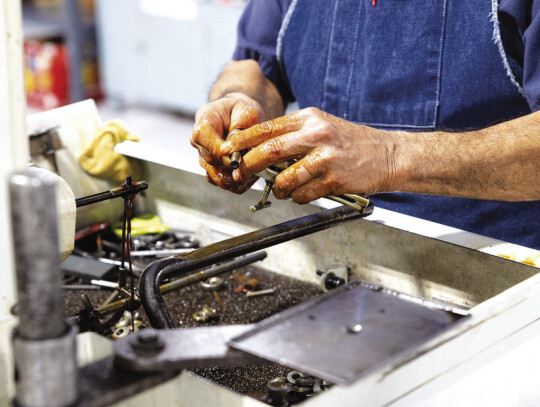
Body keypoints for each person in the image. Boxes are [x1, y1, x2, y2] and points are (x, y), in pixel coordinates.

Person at [191, 0, 540, 249]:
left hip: (497, 269)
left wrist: (389, 157)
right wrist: (237, 98)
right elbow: (255, 66)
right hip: (328, 257)